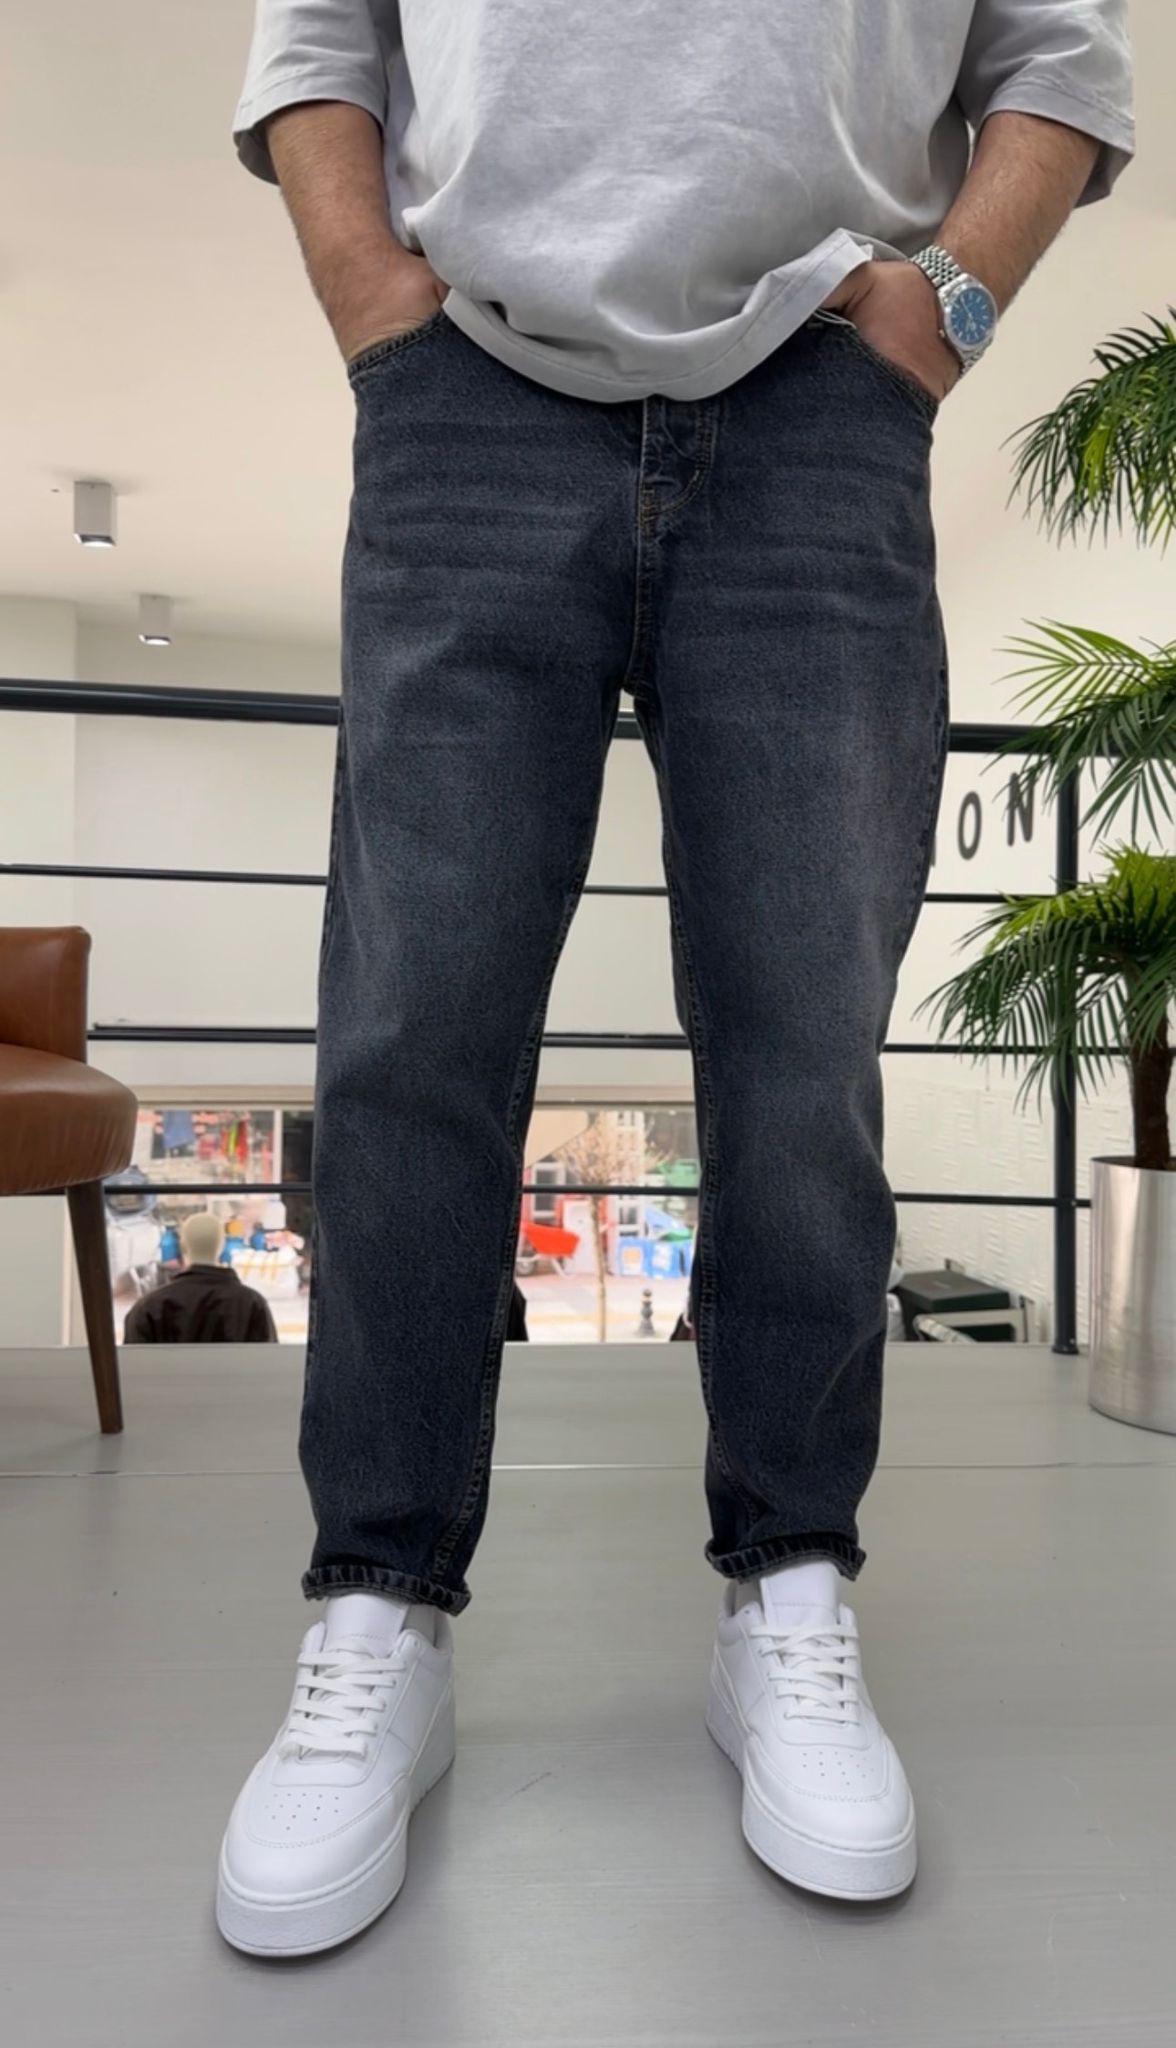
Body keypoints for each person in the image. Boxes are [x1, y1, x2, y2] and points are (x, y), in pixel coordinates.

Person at [215, 0, 1134, 1954]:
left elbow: (1059, 56)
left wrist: (942, 309)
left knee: (804, 1058)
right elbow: (317, 33)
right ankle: (377, 1603)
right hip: (466, 389)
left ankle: (788, 1587)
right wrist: (370, 295)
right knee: (410, 1039)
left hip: (825, 401)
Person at [125, 1212, 277, 1344]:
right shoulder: (252, 1304)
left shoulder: (148, 1308)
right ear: (222, 1246)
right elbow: (270, 1362)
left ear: (183, 1246)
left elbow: (132, 1364)